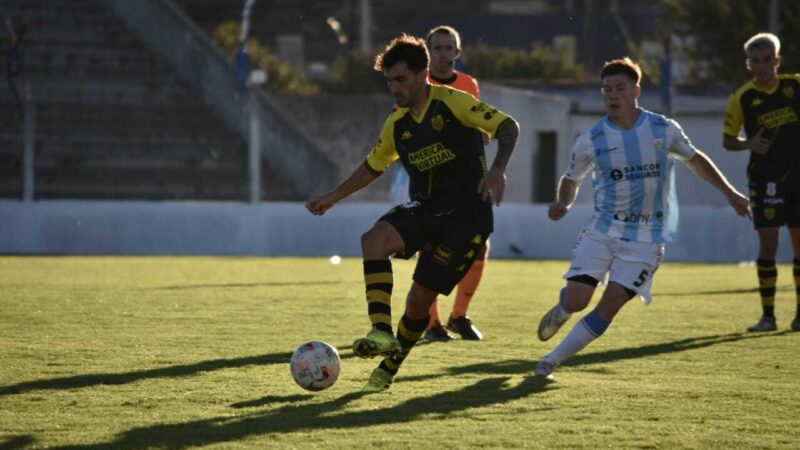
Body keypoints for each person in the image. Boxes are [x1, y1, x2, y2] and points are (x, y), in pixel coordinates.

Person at [306, 34, 519, 392]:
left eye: (401, 79)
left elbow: (508, 126)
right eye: (389, 81)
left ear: (423, 75)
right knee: (373, 240)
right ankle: (380, 331)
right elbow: (372, 167)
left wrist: (497, 169)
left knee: (420, 298)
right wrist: (334, 196)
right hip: (427, 207)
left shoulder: (453, 102)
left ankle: (390, 366)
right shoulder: (397, 123)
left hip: (467, 219)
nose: (394, 88)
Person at [534, 57, 751, 379]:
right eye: (607, 89)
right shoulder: (592, 139)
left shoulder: (663, 128)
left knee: (609, 305)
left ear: (636, 90)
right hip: (602, 230)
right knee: (579, 301)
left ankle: (550, 361)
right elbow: (571, 178)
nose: (612, 95)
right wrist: (562, 203)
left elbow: (696, 161)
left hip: (647, 239)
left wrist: (730, 193)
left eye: (620, 88)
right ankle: (564, 308)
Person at [722, 32, 800, 332]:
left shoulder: (794, 85)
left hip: (798, 178)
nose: (762, 66)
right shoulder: (742, 97)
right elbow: (729, 140)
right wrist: (748, 143)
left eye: (767, 59)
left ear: (777, 60)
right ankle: (768, 317)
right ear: (748, 64)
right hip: (765, 178)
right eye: (756, 61)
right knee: (769, 244)